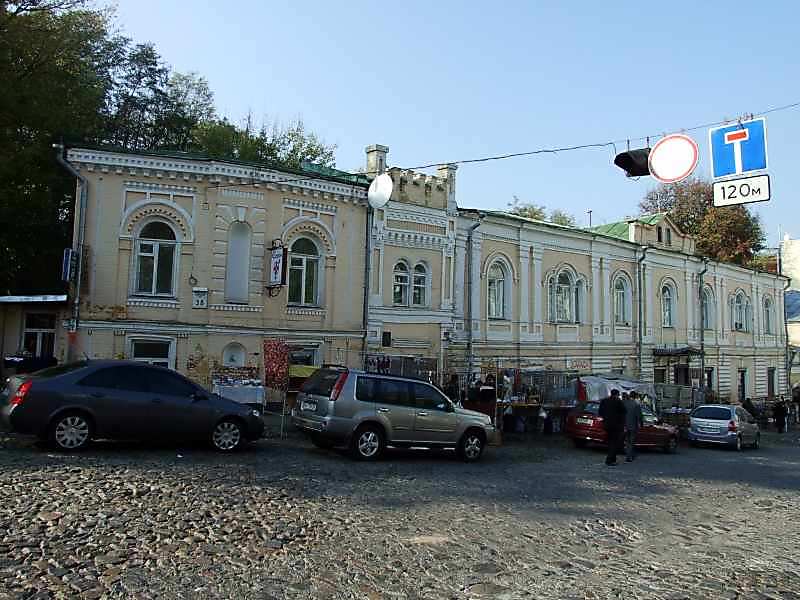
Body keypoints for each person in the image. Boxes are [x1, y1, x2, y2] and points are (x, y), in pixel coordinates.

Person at [599, 389, 627, 466]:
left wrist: (606, 418)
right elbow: (624, 412)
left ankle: (613, 459)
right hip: (616, 426)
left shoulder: (604, 401)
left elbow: (600, 412)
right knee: (614, 443)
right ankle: (610, 460)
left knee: (610, 442)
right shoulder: (618, 402)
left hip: (606, 425)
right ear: (617, 394)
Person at [622, 392, 643, 462]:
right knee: (631, 441)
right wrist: (641, 424)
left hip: (625, 425)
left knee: (627, 441)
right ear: (635, 396)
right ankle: (629, 456)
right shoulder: (636, 404)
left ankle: (628, 454)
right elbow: (639, 416)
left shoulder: (624, 403)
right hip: (633, 425)